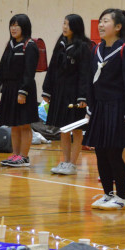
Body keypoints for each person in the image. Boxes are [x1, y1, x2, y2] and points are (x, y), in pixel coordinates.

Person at [87, 9, 125, 210]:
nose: (101, 25)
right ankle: (107, 194)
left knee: (114, 154)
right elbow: (90, 81)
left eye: (106, 21)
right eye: (100, 21)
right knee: (100, 153)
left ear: (118, 27)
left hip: (119, 108)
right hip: (100, 107)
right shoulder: (97, 49)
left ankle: (121, 196)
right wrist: (91, 107)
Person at [42, 14, 91, 175]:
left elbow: (85, 73)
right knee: (63, 128)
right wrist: (47, 90)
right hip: (60, 92)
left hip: (75, 94)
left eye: (68, 24)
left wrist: (83, 96)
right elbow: (52, 68)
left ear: (75, 27)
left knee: (76, 130)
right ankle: (65, 161)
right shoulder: (61, 43)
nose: (64, 27)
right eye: (63, 23)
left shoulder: (83, 46)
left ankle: (73, 164)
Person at [0, 14, 39, 167]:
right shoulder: (10, 45)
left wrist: (23, 91)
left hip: (23, 89)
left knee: (24, 124)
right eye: (11, 25)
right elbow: (2, 68)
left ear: (24, 27)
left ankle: (24, 157)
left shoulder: (30, 46)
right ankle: (15, 154)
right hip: (9, 89)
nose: (13, 28)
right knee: (13, 124)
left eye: (17, 25)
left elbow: (29, 72)